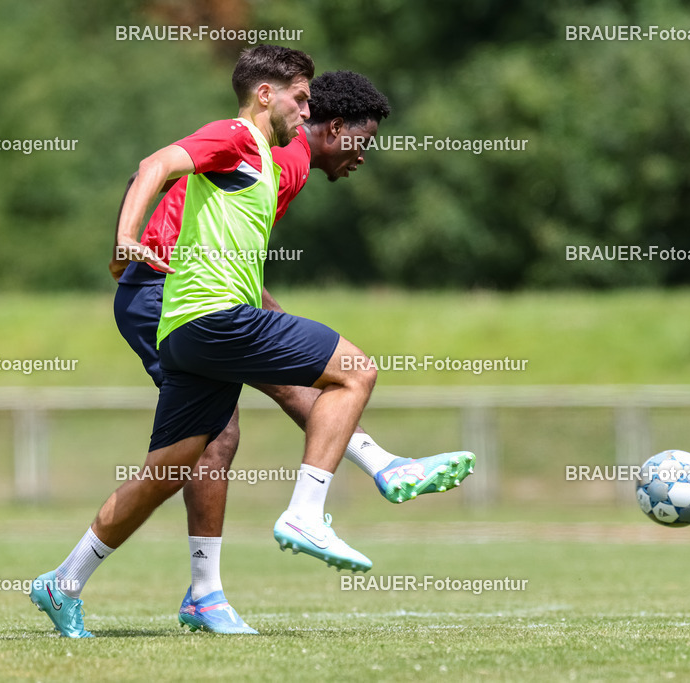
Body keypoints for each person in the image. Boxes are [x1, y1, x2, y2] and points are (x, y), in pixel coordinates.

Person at [109, 70, 475, 635]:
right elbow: (152, 168)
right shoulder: (288, 159)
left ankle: (88, 581)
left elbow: (234, 257)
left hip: (188, 291)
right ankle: (362, 474)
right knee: (286, 389)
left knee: (213, 439)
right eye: (363, 140)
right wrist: (127, 240)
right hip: (158, 290)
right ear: (333, 129)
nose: (363, 155)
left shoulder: (286, 160)